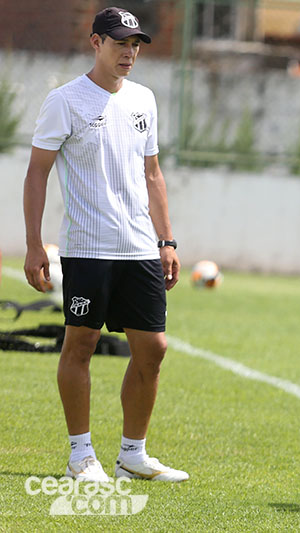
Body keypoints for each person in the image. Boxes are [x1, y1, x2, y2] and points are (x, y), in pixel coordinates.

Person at [23, 7, 187, 483]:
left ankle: (132, 455)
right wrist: (34, 246)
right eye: (120, 43)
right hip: (87, 248)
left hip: (139, 247)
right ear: (96, 43)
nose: (129, 53)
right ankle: (81, 457)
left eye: (135, 45)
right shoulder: (65, 100)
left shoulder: (144, 101)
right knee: (81, 344)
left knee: (153, 348)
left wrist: (167, 240)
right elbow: (37, 173)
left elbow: (152, 173)